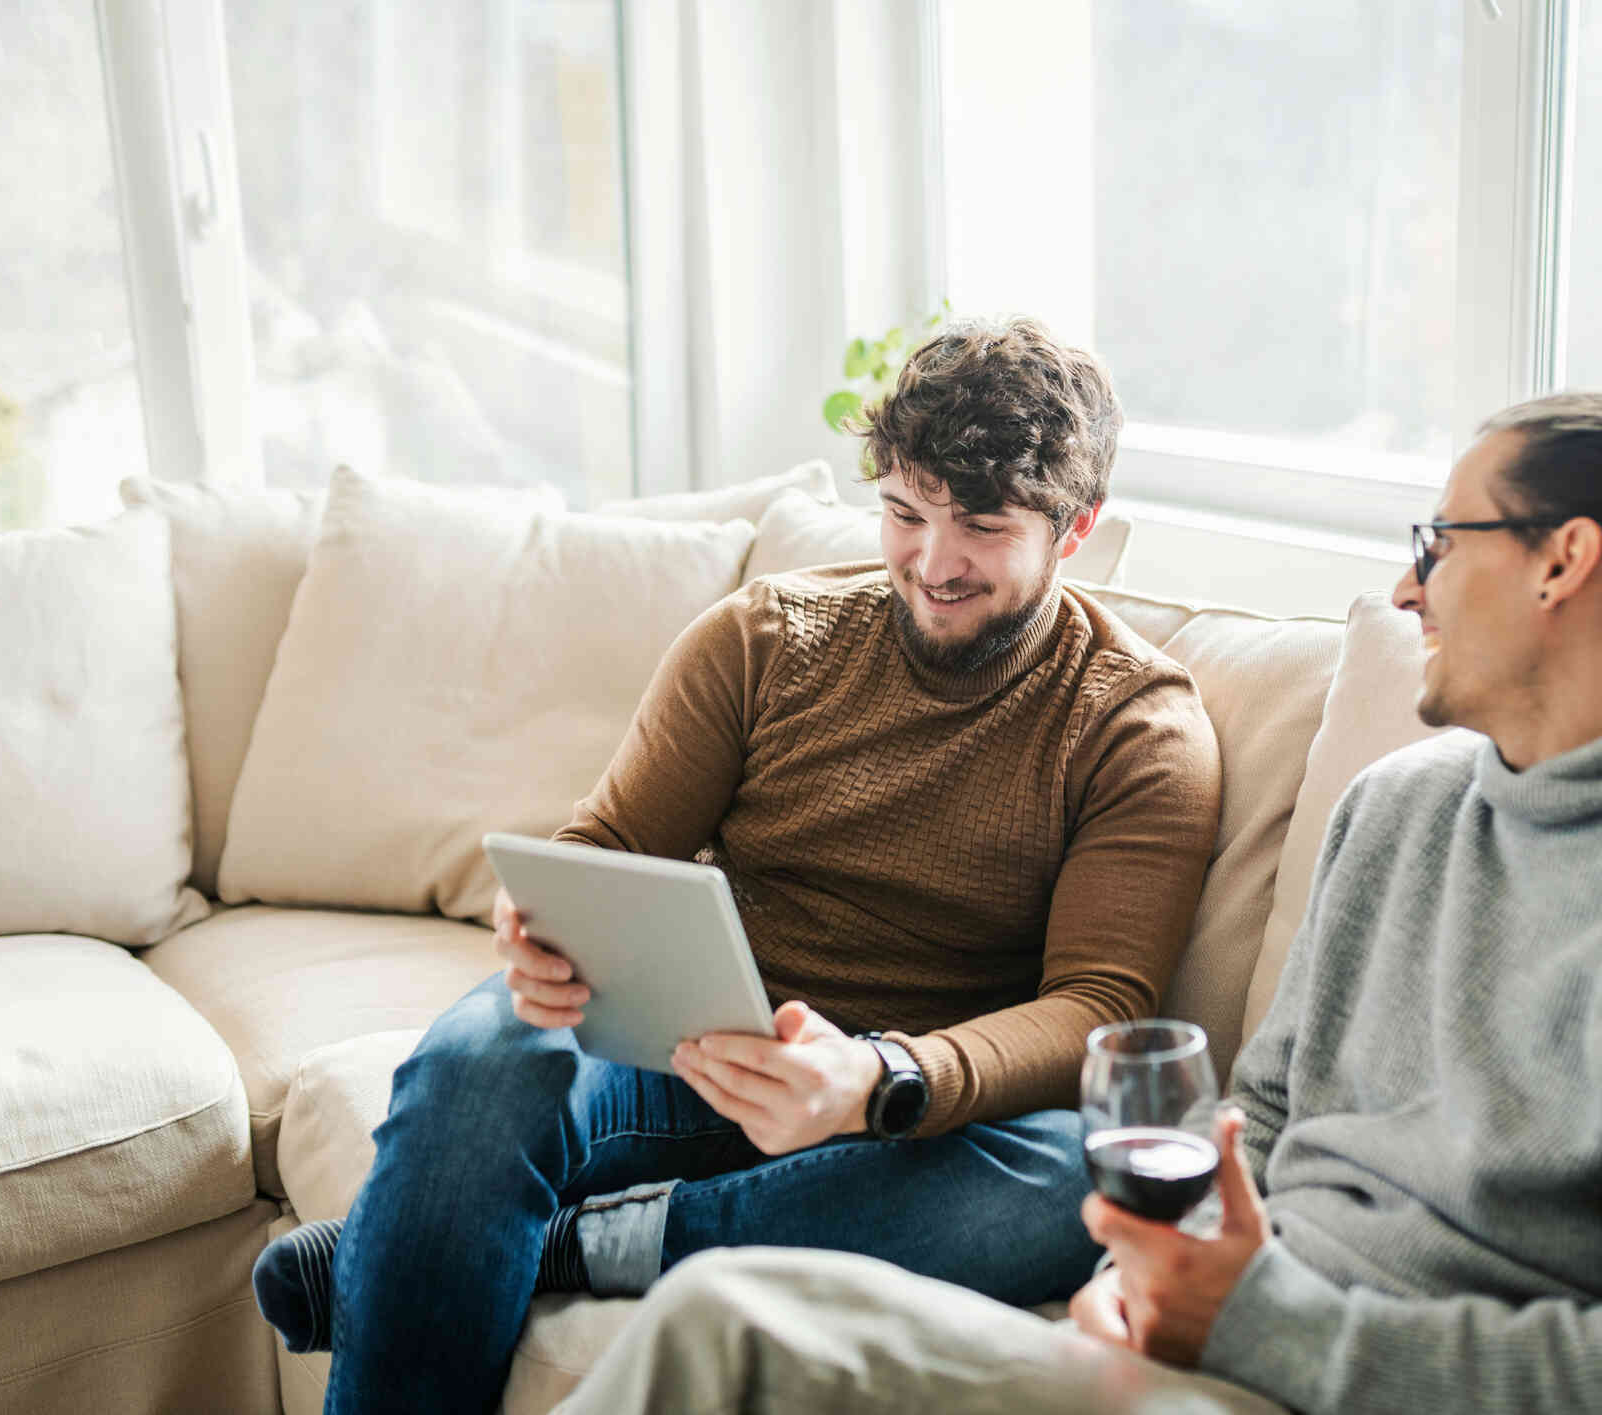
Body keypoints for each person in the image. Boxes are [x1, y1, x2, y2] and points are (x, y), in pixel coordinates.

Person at [550, 390, 1602, 1415]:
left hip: (1336, 1376)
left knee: (726, 1325)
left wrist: (1256, 1319)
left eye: (1437, 540)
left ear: (1560, 560)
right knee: (730, 1318)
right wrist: (1133, 1283)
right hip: (1209, 1350)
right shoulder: (1403, 806)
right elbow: (1259, 1126)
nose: (1403, 584)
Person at [248, 316, 1223, 1415]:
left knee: (1083, 1169)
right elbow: (605, 850)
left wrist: (882, 1077)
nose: (934, 562)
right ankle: (459, 1224)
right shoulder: (764, 638)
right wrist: (546, 932)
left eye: (983, 527)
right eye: (905, 512)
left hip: (903, 1112)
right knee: (482, 1057)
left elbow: (1100, 1005)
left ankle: (542, 1243)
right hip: (691, 1045)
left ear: (1076, 527)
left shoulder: (1135, 726)